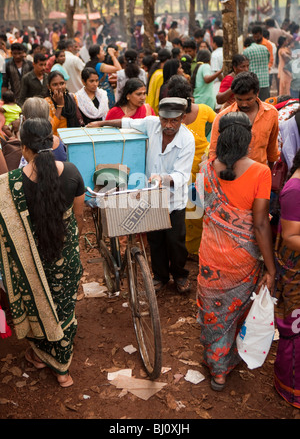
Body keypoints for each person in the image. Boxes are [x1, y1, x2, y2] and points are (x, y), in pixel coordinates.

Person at [0, 117, 85, 387]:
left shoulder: (10, 183)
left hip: (31, 263)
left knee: (38, 304)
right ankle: (62, 371)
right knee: (64, 307)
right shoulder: (71, 172)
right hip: (65, 256)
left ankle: (39, 355)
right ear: (51, 141)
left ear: (24, 148)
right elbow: (78, 216)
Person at [197, 112, 276, 391]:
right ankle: (228, 357)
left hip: (210, 253)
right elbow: (259, 224)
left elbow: (203, 207)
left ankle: (216, 365)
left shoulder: (206, 168)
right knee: (235, 309)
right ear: (247, 139)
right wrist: (271, 267)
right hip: (242, 259)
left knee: (213, 309)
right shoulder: (260, 172)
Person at [88, 97, 195, 294]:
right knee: (155, 240)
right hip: (151, 195)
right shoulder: (152, 123)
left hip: (173, 199)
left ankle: (180, 275)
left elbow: (181, 175)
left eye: (174, 121)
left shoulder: (187, 140)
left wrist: (163, 178)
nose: (168, 125)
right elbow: (126, 122)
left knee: (175, 241)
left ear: (183, 118)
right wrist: (101, 123)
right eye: (164, 120)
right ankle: (160, 276)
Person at [167, 74, 216, 256]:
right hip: (199, 171)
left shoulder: (169, 114)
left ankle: (183, 250)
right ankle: (194, 251)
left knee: (179, 211)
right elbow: (219, 123)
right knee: (197, 211)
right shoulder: (203, 110)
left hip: (179, 170)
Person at [209, 71, 280, 169]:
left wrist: (270, 174)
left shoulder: (271, 113)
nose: (244, 104)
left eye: (249, 99)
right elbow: (213, 152)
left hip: (260, 175)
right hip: (231, 175)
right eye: (239, 99)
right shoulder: (223, 117)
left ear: (257, 93)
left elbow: (272, 150)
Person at [274, 149, 300, 407]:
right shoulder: (295, 190)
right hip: (295, 273)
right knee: (296, 332)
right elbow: (292, 238)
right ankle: (290, 388)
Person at [45, 71, 84, 136]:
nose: (59, 87)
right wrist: (59, 106)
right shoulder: (46, 103)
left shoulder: (72, 98)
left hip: (73, 137)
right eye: (55, 84)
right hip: (56, 141)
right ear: (49, 87)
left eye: (62, 83)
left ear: (65, 83)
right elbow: (50, 129)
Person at [85, 44, 122, 109]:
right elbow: (119, 69)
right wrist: (112, 55)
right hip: (105, 96)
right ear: (98, 55)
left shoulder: (88, 64)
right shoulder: (100, 66)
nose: (104, 54)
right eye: (102, 51)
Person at [243, 37, 270, 101]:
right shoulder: (265, 48)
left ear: (247, 45)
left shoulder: (246, 51)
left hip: (252, 82)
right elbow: (268, 60)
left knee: (254, 103)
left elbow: (244, 65)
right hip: (265, 80)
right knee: (265, 102)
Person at [146, 48, 171, 115]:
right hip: (155, 112)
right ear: (168, 60)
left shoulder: (155, 72)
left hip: (150, 108)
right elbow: (158, 97)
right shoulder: (161, 75)